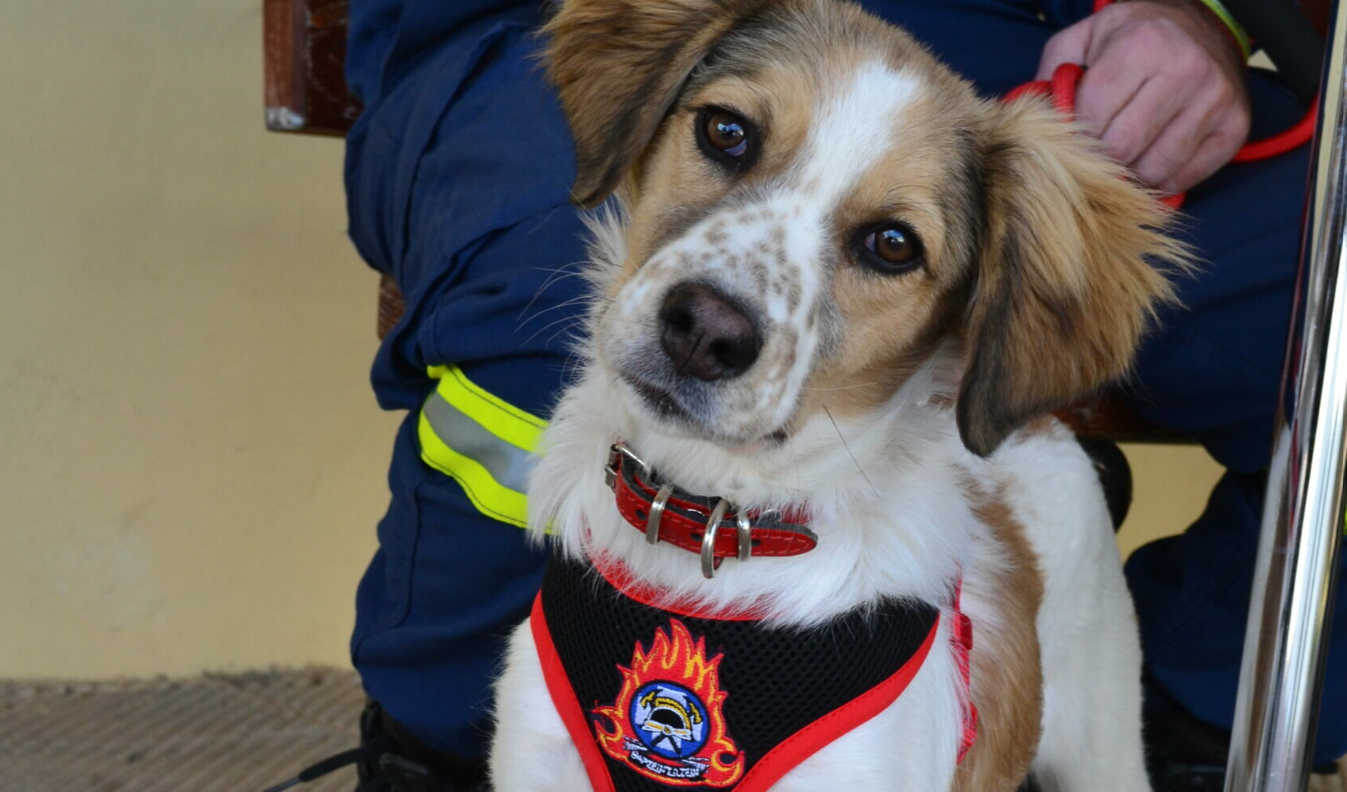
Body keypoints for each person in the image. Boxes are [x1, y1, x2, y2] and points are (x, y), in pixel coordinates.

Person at [336, 0, 1342, 789]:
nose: (720, 312)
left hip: (1029, 30)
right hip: (541, 19)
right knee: (520, 310)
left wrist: (1206, 11)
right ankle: (429, 743)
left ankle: (1187, 720)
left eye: (889, 245)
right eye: (727, 137)